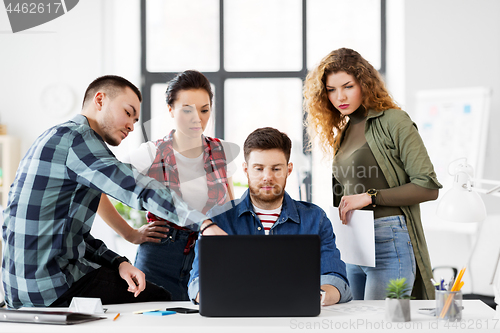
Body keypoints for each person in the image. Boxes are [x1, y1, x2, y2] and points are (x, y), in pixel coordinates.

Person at [1, 75, 224, 309]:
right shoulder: (79, 140)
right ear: (100, 100)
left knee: (137, 283)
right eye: (128, 113)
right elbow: (137, 187)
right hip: (52, 285)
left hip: (21, 287)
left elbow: (66, 234)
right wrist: (204, 224)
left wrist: (118, 262)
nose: (131, 125)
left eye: (136, 120)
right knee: (161, 300)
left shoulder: (54, 136)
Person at [303, 48, 442, 300]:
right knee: (353, 322)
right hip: (354, 241)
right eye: (331, 90)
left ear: (364, 83)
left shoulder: (394, 120)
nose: (340, 96)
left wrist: (370, 197)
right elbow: (342, 196)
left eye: (347, 86)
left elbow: (428, 186)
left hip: (389, 239)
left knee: (379, 324)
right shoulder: (343, 133)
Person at [98, 70, 237, 300]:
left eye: (204, 110)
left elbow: (230, 208)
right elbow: (97, 186)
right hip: (158, 259)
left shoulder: (222, 151)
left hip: (209, 258)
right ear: (170, 109)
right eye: (187, 109)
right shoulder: (150, 154)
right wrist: (130, 234)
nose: (197, 118)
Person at [188, 127, 353, 305]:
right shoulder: (219, 219)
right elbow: (197, 283)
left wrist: (318, 297)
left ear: (289, 170)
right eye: (258, 169)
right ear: (246, 169)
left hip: (296, 317)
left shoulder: (315, 218)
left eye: (276, 169)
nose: (267, 177)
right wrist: (225, 299)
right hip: (236, 317)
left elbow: (336, 280)